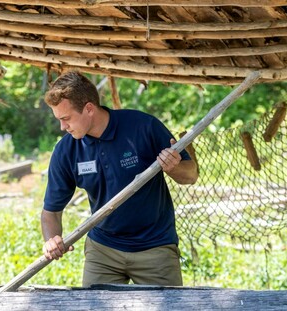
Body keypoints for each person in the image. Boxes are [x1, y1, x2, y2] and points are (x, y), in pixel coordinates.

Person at [41, 71, 199, 287]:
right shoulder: (66, 150)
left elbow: (191, 175)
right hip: (103, 249)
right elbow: (51, 210)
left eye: (66, 118)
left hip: (155, 247)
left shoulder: (143, 127)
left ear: (88, 108)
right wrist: (52, 239)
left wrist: (173, 167)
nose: (62, 127)